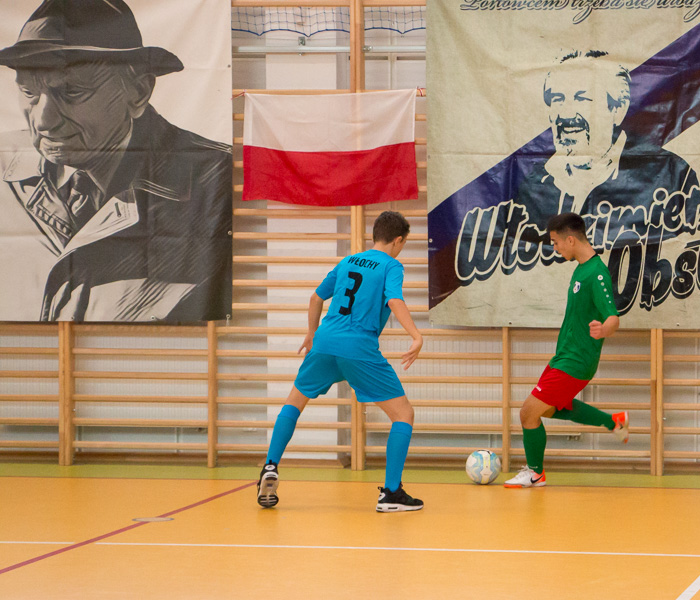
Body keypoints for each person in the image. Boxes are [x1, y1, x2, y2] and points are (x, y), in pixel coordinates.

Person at [0, 0, 232, 322]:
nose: (43, 121)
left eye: (71, 93)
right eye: (29, 93)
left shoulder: (218, 181)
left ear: (138, 92)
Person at [257, 211, 425, 512]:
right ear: (398, 241)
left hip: (325, 340)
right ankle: (391, 493)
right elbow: (394, 300)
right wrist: (416, 335)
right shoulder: (392, 265)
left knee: (294, 402)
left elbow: (315, 298)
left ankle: (270, 465)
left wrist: (311, 334)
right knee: (403, 414)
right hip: (358, 346)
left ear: (375, 235)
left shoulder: (348, 261)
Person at [516, 49, 700, 245]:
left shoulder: (671, 175)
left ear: (617, 109)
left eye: (582, 99)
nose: (566, 114)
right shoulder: (533, 185)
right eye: (558, 99)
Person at [504, 212, 628, 488]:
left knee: (528, 413)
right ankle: (613, 422)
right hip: (563, 356)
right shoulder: (580, 269)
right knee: (547, 410)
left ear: (570, 240)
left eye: (556, 242)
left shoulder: (596, 273)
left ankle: (535, 473)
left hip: (577, 360)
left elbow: (613, 317)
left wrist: (604, 329)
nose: (555, 248)